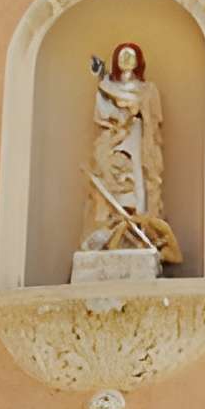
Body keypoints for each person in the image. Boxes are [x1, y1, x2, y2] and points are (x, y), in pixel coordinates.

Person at [80, 41, 182, 264]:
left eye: (131, 56)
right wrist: (118, 117)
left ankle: (140, 225)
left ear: (138, 61)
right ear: (116, 59)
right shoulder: (105, 88)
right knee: (114, 178)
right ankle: (113, 229)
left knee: (139, 177)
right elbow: (102, 115)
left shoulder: (147, 89)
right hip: (116, 139)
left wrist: (135, 113)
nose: (127, 60)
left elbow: (154, 117)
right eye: (123, 56)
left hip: (138, 135)